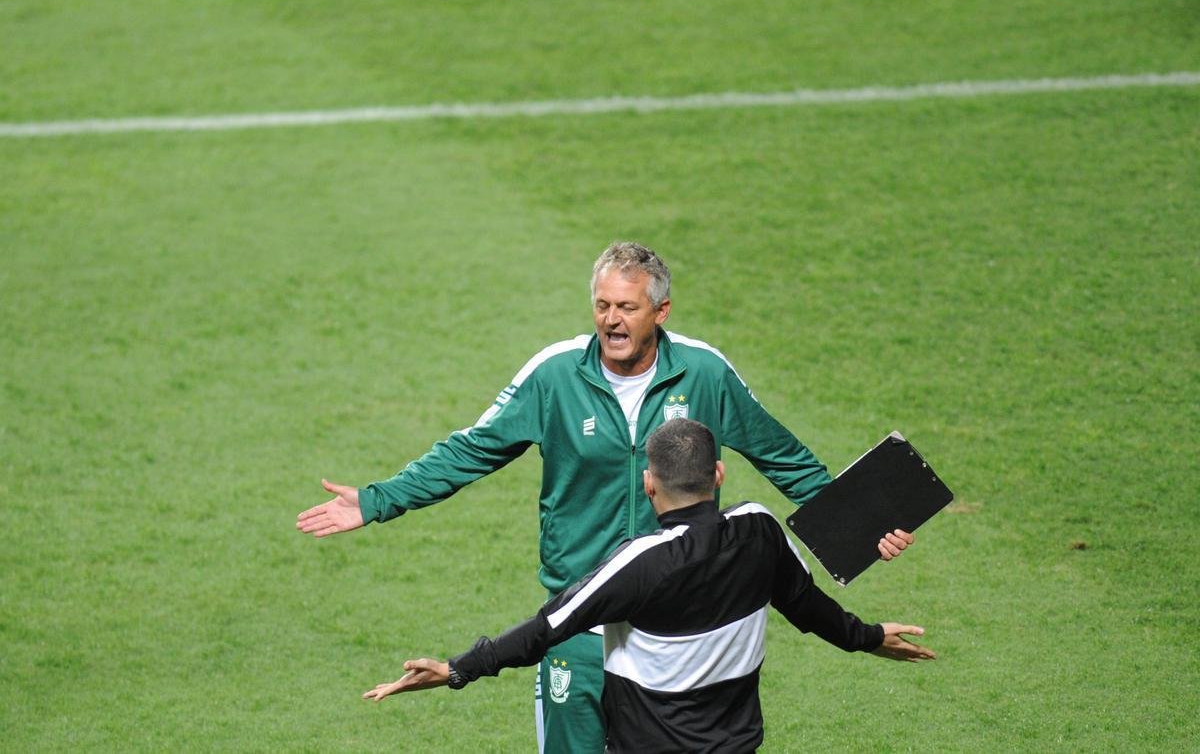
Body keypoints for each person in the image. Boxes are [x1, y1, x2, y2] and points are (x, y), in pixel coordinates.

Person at [297, 242, 914, 752]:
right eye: (601, 306)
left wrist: (863, 526)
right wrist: (377, 500)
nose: (611, 321)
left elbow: (785, 457)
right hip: (579, 623)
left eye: (626, 307)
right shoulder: (554, 374)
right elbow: (469, 451)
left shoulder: (704, 372)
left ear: (661, 311)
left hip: (667, 633)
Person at [361, 419, 935, 753]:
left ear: (647, 484)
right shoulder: (761, 528)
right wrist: (868, 636)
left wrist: (457, 669)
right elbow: (807, 608)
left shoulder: (638, 562)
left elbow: (546, 628)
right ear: (717, 474)